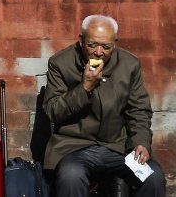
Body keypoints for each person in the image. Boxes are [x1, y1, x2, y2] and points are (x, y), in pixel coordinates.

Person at [42, 15, 167, 197]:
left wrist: (140, 142)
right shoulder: (60, 63)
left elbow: (139, 111)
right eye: (92, 45)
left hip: (118, 147)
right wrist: (84, 88)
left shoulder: (129, 64)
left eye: (106, 47)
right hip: (75, 147)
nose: (99, 52)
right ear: (81, 40)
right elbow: (53, 111)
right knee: (71, 176)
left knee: (152, 177)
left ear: (115, 43)